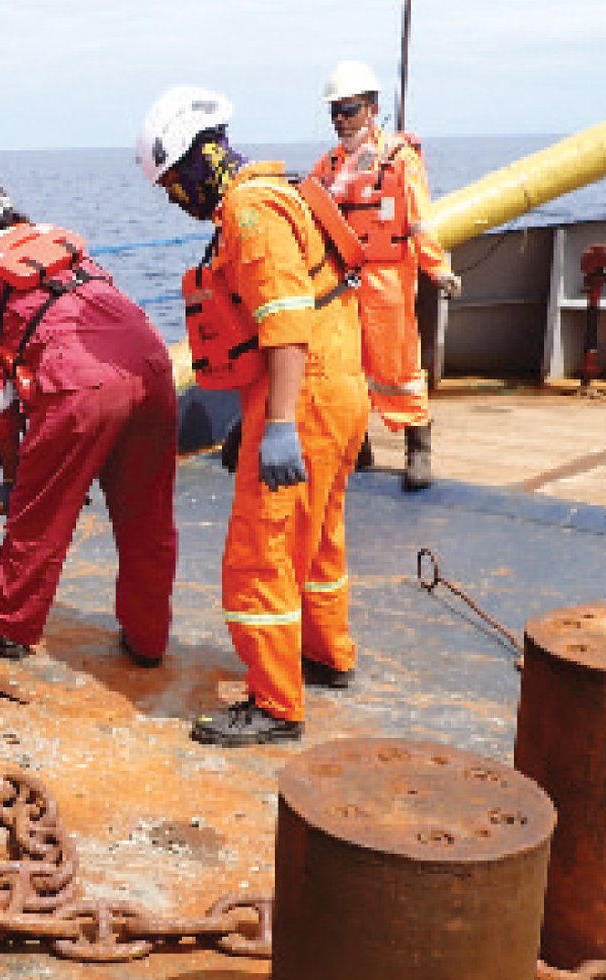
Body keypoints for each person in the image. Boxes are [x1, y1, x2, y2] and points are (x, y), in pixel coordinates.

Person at [137, 86, 368, 745]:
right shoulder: (280, 192)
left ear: (197, 162)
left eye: (174, 184)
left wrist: (281, 423)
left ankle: (275, 703)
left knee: (261, 552)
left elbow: (286, 323)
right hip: (337, 384)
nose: (176, 200)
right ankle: (326, 653)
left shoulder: (250, 211)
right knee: (318, 538)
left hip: (306, 395)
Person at [0, 175, 178, 667]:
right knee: (147, 518)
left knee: (36, 516)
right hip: (153, 372)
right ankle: (148, 640)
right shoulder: (74, 255)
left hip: (78, 391)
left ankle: (9, 628)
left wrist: (15, 473)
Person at [313, 60, 461, 490]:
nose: (341, 119)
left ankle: (418, 447)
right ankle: (357, 446)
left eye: (349, 109)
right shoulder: (329, 165)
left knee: (398, 364)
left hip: (388, 279)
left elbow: (419, 220)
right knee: (346, 366)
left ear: (372, 109)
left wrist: (437, 268)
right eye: (335, 111)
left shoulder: (399, 159)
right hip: (342, 282)